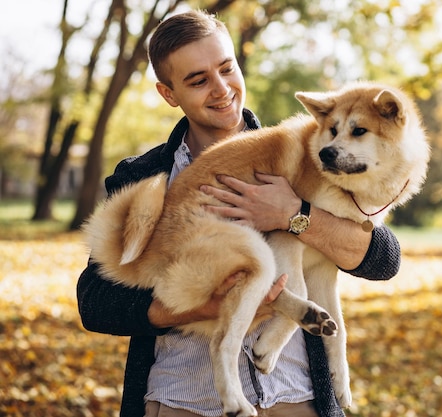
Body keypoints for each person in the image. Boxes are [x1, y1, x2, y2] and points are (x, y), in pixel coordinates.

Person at [76, 10, 401, 417]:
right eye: (198, 80)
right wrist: (204, 308)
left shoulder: (306, 150)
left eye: (227, 69)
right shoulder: (143, 175)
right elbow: (95, 302)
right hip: (186, 399)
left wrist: (294, 214)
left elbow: (384, 260)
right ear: (168, 93)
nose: (221, 89)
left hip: (295, 395)